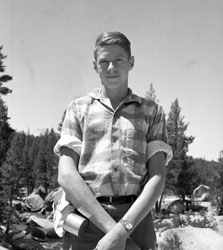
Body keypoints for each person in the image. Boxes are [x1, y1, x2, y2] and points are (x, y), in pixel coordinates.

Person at [54, 31, 172, 250]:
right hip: (86, 218)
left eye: (118, 60)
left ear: (131, 62)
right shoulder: (78, 109)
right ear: (94, 66)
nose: (111, 67)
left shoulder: (151, 111)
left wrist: (122, 230)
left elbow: (157, 175)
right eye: (104, 61)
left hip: (137, 219)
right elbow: (66, 175)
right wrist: (115, 233)